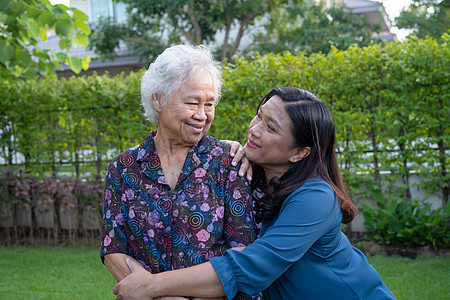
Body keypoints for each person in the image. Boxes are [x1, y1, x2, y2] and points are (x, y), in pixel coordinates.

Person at [112, 87, 397, 300]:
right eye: (259, 116)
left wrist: (150, 285)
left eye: (270, 128)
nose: (254, 130)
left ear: (299, 152)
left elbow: (251, 266)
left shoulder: (317, 197)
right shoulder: (245, 173)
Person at [100, 45, 257, 288]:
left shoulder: (228, 163)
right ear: (159, 99)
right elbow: (113, 247)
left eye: (209, 104)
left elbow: (242, 254)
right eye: (193, 103)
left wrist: (160, 290)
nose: (202, 115)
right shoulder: (123, 168)